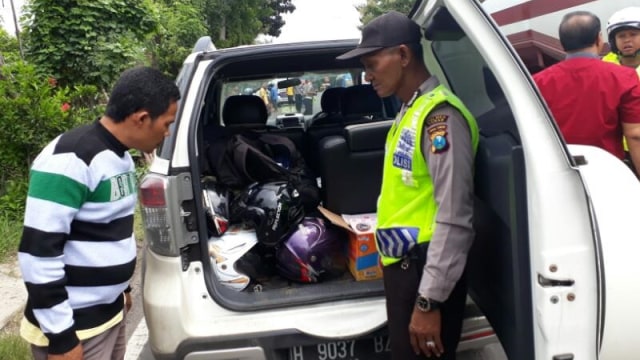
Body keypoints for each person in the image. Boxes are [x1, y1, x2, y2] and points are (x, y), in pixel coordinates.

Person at [337, 11, 479, 360]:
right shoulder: (410, 110)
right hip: (406, 268)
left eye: (372, 64)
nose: (367, 76)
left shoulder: (440, 118)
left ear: (403, 55)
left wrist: (429, 301)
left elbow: (455, 216)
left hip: (425, 273)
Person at [18, 66, 180, 360]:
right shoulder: (71, 159)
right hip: (75, 328)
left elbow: (111, 230)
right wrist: (61, 340)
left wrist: (123, 290)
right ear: (142, 118)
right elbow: (37, 254)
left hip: (109, 315)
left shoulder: (121, 158)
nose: (167, 132)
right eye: (167, 123)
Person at [533, 11, 640, 173]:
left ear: (563, 43)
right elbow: (634, 135)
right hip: (609, 170)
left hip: (560, 172)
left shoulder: (538, 81)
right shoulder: (623, 77)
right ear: (599, 39)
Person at [602, 7, 640, 76]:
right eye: (621, 36)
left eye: (633, 34)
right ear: (613, 41)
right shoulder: (604, 66)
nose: (627, 40)